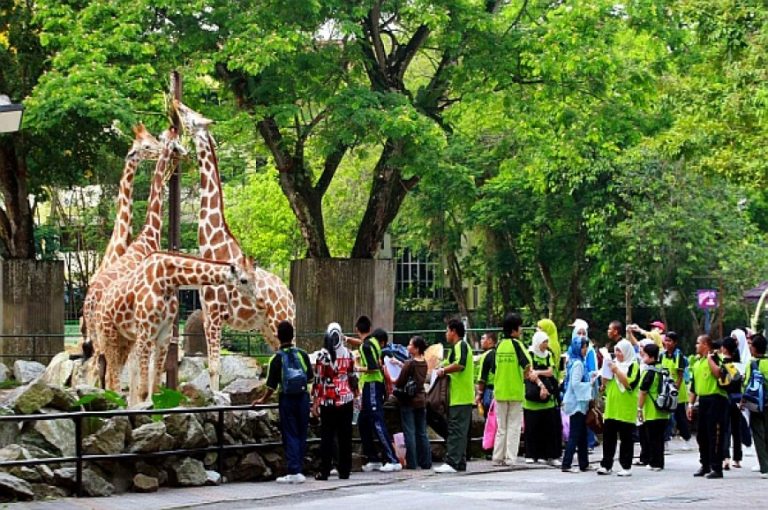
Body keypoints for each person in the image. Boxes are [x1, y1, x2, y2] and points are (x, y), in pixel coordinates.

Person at [253, 321, 313, 484]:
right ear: (293, 336)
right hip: (303, 398)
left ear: (278, 337)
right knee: (301, 433)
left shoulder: (276, 358)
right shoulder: (303, 354)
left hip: (287, 399)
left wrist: (262, 400)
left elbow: (271, 385)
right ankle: (298, 468)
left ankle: (293, 470)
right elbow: (310, 378)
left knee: (290, 434)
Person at [355, 316, 401, 472]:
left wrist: (357, 369)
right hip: (374, 385)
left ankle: (392, 459)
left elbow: (373, 367)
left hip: (372, 384)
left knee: (377, 421)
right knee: (363, 421)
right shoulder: (373, 341)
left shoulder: (366, 346)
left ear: (357, 330)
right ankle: (372, 457)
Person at [311, 322, 356, 480]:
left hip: (328, 400)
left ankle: (324, 471)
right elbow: (353, 377)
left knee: (327, 437)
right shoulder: (350, 354)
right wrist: (356, 396)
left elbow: (318, 380)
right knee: (345, 436)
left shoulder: (323, 356)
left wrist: (315, 402)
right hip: (347, 399)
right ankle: (344, 470)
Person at [434, 319, 475, 473]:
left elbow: (460, 364)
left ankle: (452, 461)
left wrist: (443, 371)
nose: (446, 334)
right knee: (458, 430)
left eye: (447, 331)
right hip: (458, 396)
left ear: (453, 331)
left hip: (461, 396)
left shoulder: (461, 346)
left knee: (456, 429)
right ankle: (460, 462)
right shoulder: (455, 348)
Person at [687, 334, 729, 479]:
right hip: (703, 400)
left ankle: (716, 467)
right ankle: (704, 464)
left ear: (706, 344)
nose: (696, 346)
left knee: (715, 435)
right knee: (701, 435)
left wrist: (711, 359)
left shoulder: (717, 358)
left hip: (716, 399)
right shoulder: (697, 363)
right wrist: (690, 404)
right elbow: (693, 387)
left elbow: (719, 374)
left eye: (698, 343)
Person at [491, 312, 531, 466]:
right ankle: (510, 458)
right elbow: (527, 363)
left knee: (501, 426)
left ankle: (497, 457)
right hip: (514, 390)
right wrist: (525, 375)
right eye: (520, 327)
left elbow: (495, 368)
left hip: (500, 390)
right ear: (514, 330)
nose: (521, 330)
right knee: (514, 425)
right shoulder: (517, 345)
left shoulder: (500, 346)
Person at [597, 339, 639, 477]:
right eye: (616, 351)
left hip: (626, 408)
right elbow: (605, 382)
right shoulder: (614, 363)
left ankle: (626, 466)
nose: (618, 354)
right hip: (612, 407)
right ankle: (606, 464)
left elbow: (629, 384)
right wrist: (605, 372)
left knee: (626, 439)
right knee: (609, 438)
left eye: (620, 351)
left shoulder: (633, 365)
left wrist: (616, 370)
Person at [523, 330, 561, 465]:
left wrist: (539, 372)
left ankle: (548, 455)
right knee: (532, 428)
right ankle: (532, 454)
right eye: (543, 342)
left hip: (547, 399)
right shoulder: (530, 354)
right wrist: (541, 385)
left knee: (548, 428)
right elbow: (530, 373)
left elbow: (550, 371)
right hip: (532, 396)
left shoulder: (548, 355)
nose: (545, 344)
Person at [395, 335, 432, 469]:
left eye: (410, 345)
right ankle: (426, 462)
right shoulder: (424, 362)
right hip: (421, 399)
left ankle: (412, 462)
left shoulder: (410, 363)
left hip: (408, 400)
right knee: (422, 432)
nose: (408, 346)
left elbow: (400, 381)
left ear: (416, 349)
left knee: (409, 432)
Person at [561, 336, 594, 472]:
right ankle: (567, 463)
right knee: (575, 434)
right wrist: (590, 384)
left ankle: (583, 463)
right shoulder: (579, 364)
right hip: (577, 403)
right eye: (584, 347)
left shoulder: (574, 361)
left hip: (577, 402)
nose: (586, 349)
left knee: (582, 434)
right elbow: (575, 384)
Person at [637, 343, 671, 471]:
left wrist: (639, 409)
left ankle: (654, 463)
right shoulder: (663, 368)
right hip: (664, 409)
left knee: (652, 438)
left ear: (651, 357)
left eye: (644, 355)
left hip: (652, 410)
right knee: (659, 438)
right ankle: (659, 462)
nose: (643, 357)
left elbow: (643, 391)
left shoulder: (649, 371)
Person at [661, 331, 692, 450]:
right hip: (665, 390)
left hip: (677, 392)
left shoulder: (679, 356)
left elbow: (680, 376)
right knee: (664, 417)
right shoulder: (662, 355)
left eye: (670, 341)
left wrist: (674, 390)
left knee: (680, 417)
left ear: (675, 343)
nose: (667, 343)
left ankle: (686, 439)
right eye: (666, 340)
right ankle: (665, 441)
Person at [742, 333, 768, 478]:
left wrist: (742, 402)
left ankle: (765, 467)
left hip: (757, 404)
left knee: (758, 434)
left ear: (755, 348)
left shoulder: (752, 364)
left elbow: (747, 386)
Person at [720, 336, 743, 470]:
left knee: (725, 429)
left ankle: (725, 457)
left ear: (723, 348)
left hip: (725, 398)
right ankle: (737, 458)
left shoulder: (723, 365)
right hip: (738, 399)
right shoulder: (739, 365)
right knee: (736, 429)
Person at [475, 332, 497, 418]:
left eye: (483, 338)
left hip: (489, 392)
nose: (481, 341)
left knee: (488, 419)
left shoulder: (487, 355)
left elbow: (482, 377)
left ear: (490, 341)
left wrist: (479, 394)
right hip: (497, 391)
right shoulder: (497, 354)